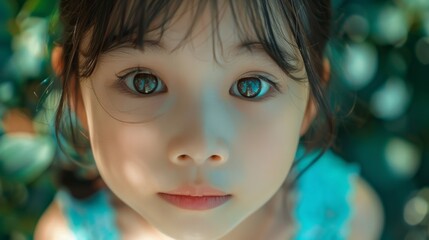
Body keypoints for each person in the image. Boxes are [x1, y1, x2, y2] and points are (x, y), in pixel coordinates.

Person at [35, 0, 384, 239]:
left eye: (250, 86)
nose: (199, 146)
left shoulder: (347, 220)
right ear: (76, 92)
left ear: (311, 100)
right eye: (144, 82)